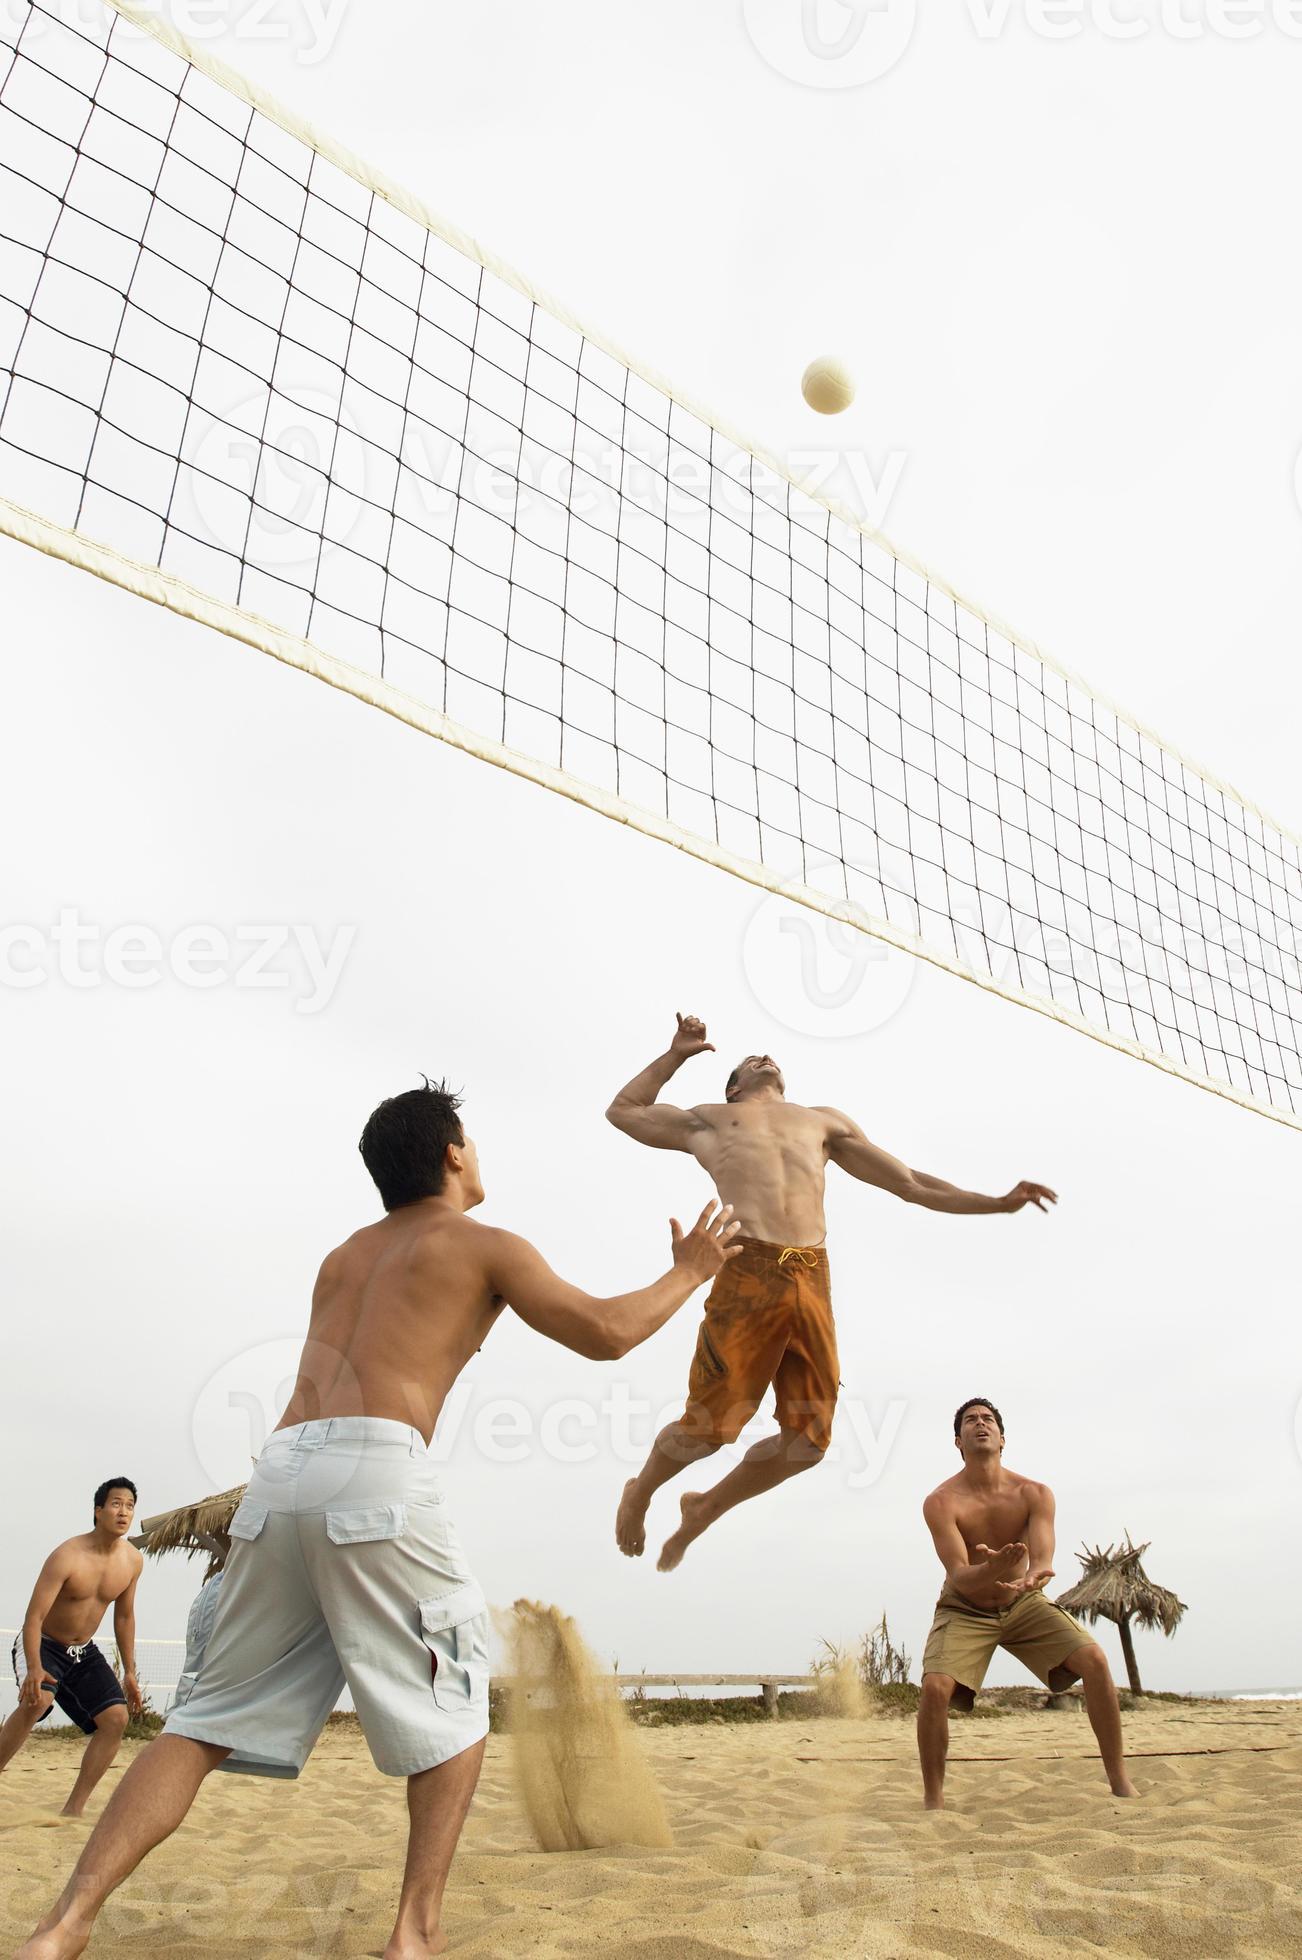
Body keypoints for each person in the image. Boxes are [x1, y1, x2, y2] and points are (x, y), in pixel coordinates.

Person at [20, 1078, 739, 1960]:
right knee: (456, 1697)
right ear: (450, 1154)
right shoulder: (485, 1244)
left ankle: (63, 1926)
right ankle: (414, 1934)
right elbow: (607, 1332)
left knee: (201, 1722)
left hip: (280, 1472)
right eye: (470, 1139)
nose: (478, 1152)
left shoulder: (343, 1257)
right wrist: (693, 1269)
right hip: (374, 1463)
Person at [608, 1014, 1055, 1570]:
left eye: (768, 1058)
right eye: (750, 1061)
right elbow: (623, 1111)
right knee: (709, 1430)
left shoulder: (821, 1122)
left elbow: (911, 1183)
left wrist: (994, 1200)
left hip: (811, 1277)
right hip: (750, 1271)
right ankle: (642, 1490)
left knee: (806, 1444)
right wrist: (676, 1055)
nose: (763, 1055)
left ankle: (704, 1509)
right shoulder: (710, 1121)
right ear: (733, 1087)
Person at [917, 1397, 1136, 1808]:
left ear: (1002, 1439)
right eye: (970, 1421)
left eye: (987, 1420)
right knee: (934, 1688)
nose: (980, 1424)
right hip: (965, 1607)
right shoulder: (941, 1502)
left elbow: (1043, 1555)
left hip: (1023, 1603)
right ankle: (934, 1799)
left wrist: (1036, 1572)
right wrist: (993, 1568)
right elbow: (960, 1575)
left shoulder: (1034, 1492)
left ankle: (1120, 1779)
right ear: (958, 1442)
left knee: (1095, 1660)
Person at [1, 1479, 144, 1818]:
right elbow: (33, 1617)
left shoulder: (132, 1561)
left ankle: (73, 1810)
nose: (123, 1511)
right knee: (38, 1701)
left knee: (115, 1719)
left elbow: (124, 1617)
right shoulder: (67, 1556)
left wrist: (131, 1672)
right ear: (98, 1511)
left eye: (129, 1505)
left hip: (83, 1651)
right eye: (115, 1504)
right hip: (43, 1643)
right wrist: (35, 1668)